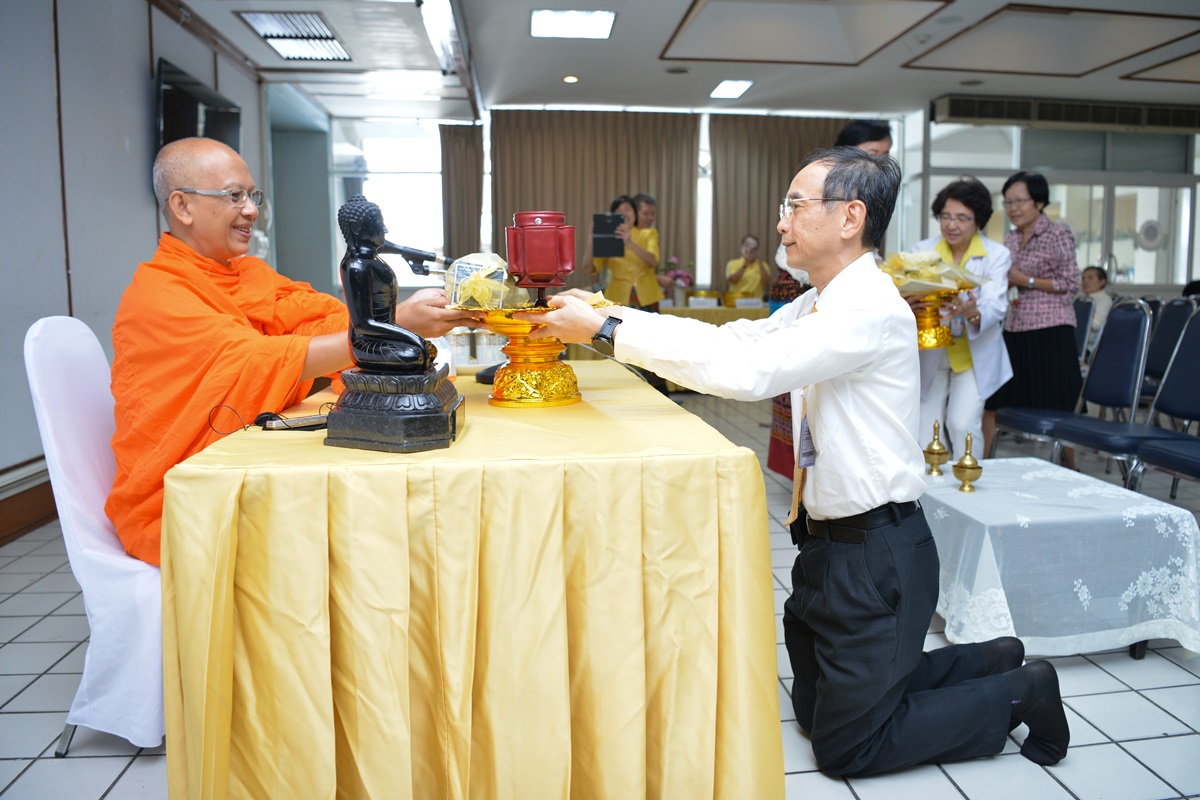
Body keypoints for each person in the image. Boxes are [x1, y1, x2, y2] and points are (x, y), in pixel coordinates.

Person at [521, 147, 1069, 776]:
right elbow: (732, 340)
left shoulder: (867, 307)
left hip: (878, 558)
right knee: (812, 713)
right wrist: (609, 314)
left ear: (849, 217)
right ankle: (990, 658)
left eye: (794, 206)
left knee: (847, 748)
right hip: (827, 549)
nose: (781, 221)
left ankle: (1021, 689)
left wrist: (603, 332)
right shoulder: (820, 302)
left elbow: (748, 371)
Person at [107, 137, 482, 566]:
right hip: (186, 494)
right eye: (235, 196)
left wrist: (395, 318)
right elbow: (252, 361)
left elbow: (320, 320)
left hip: (247, 463)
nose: (251, 210)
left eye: (253, 195)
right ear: (183, 206)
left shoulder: (247, 274)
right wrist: (397, 325)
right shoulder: (157, 294)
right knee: (367, 529)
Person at [766, 119, 890, 478]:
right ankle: (805, 472)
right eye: (870, 156)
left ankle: (817, 471)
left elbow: (752, 368)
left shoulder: (868, 302)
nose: (876, 167)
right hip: (799, 288)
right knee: (797, 388)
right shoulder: (822, 204)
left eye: (883, 157)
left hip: (865, 510)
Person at [983, 171, 1082, 461]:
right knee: (996, 401)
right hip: (1015, 327)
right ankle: (984, 463)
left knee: (1059, 405)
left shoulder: (1058, 235)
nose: (1012, 208)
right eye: (1008, 202)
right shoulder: (1010, 240)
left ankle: (1069, 466)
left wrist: (1025, 280)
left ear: (1039, 202)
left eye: (1019, 201)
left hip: (1051, 330)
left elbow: (1070, 283)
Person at [912, 178, 1012, 457]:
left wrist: (973, 312)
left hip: (973, 354)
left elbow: (996, 305)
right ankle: (928, 495)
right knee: (926, 428)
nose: (951, 225)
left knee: (962, 424)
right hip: (933, 349)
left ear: (978, 221)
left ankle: (968, 490)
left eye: (962, 218)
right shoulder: (922, 251)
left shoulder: (996, 254)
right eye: (945, 216)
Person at [587, 194, 663, 309]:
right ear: (613, 215)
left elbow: (653, 261)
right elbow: (589, 269)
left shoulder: (648, 233)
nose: (624, 213)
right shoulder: (608, 238)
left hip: (647, 297)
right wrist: (591, 240)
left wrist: (629, 242)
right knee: (620, 328)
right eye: (619, 211)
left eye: (628, 209)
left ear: (635, 214)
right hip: (618, 298)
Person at [1079, 266, 1113, 357]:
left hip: (1089, 347)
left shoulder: (1104, 299)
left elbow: (1097, 324)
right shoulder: (1081, 299)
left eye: (1090, 278)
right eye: (1083, 278)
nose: (1085, 281)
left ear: (1102, 281)